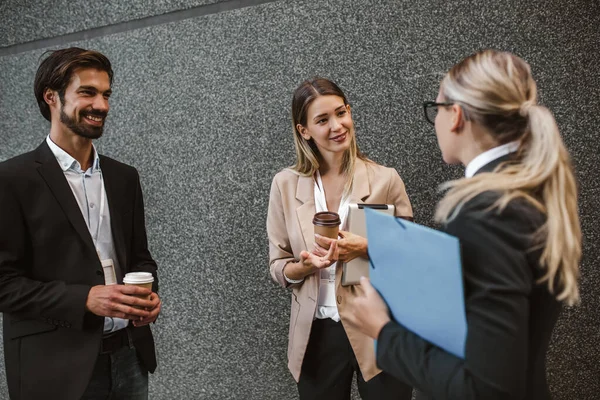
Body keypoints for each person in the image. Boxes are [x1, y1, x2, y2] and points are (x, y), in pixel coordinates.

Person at [341, 49, 581, 400]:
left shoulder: (486, 211)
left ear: (455, 115)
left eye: (435, 109)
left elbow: (487, 390)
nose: (435, 121)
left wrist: (383, 329)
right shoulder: (531, 189)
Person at [0, 47, 161, 400]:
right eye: (87, 92)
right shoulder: (11, 179)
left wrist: (149, 296)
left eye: (106, 94)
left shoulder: (124, 178)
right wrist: (84, 299)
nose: (101, 105)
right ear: (51, 97)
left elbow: (140, 258)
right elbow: (4, 284)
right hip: (54, 368)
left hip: (129, 358)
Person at [266, 77, 413, 400]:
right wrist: (302, 268)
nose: (337, 125)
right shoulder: (285, 186)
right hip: (317, 337)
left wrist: (367, 247)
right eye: (322, 120)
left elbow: (412, 255)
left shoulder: (385, 179)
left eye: (341, 112)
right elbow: (278, 266)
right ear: (304, 130)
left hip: (379, 328)